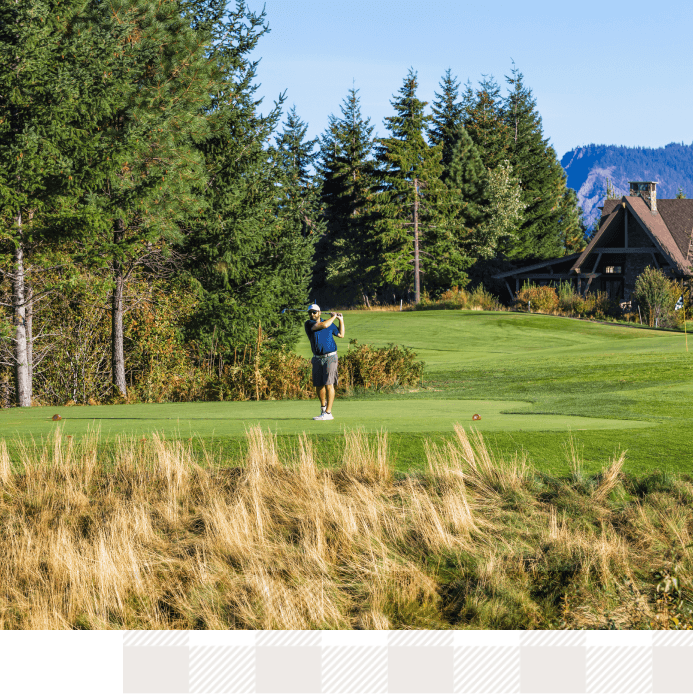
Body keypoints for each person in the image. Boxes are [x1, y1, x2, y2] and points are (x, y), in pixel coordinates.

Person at [304, 303, 345, 420]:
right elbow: (324, 325)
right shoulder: (309, 323)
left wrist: (340, 320)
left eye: (314, 312)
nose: (312, 314)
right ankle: (323, 409)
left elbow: (341, 334)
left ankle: (328, 413)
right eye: (310, 312)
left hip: (330, 357)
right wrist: (334, 316)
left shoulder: (329, 322)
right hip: (317, 358)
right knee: (318, 384)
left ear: (319, 312)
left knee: (329, 384)